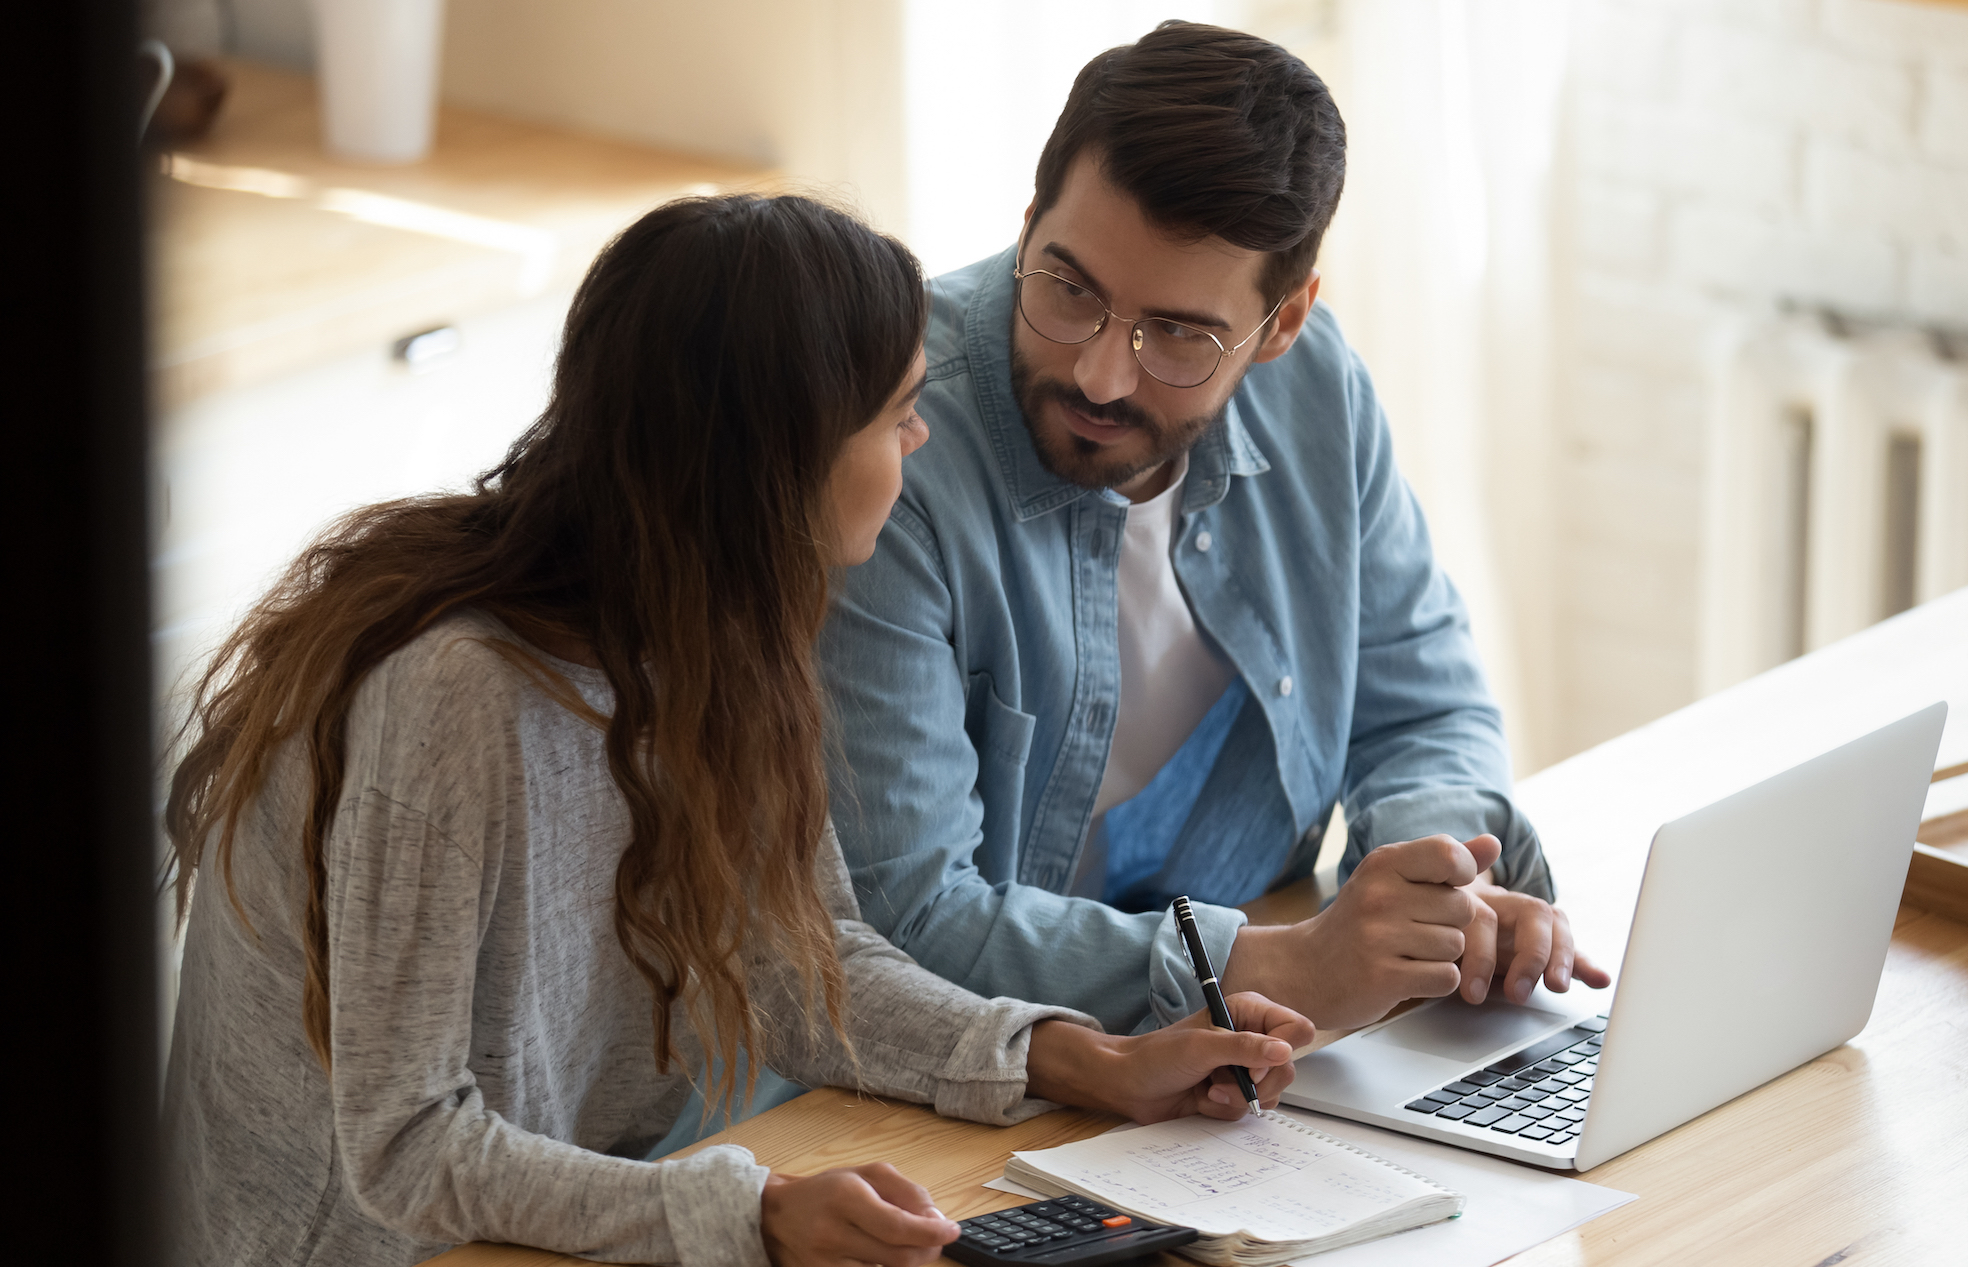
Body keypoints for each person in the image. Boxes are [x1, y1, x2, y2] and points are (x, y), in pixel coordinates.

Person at [160, 194, 1311, 1267]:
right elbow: (406, 1146)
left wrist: (1088, 1060)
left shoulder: (722, 630)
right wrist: (748, 1211)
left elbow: (799, 967)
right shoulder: (455, 693)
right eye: (898, 413)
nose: (918, 445)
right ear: (776, 464)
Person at [819, 22, 1612, 1041]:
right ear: (1027, 227)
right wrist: (1284, 964)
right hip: (992, 1067)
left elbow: (1419, 704)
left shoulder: (1316, 387)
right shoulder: (890, 448)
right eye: (1069, 288)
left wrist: (1427, 889)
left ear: (1281, 325)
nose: (1101, 373)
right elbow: (905, 920)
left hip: (1251, 1049)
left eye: (1178, 335)